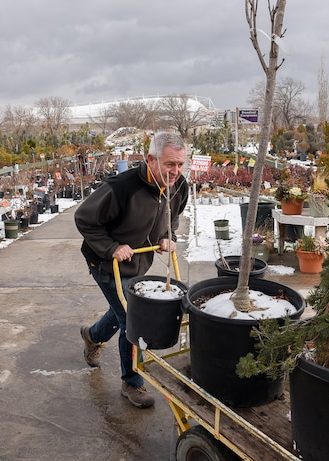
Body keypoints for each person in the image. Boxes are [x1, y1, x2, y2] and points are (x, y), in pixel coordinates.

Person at [74, 132, 189, 408]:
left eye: (181, 164)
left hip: (139, 260)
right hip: (105, 262)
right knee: (132, 319)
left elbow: (173, 215)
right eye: (169, 164)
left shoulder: (178, 185)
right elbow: (84, 218)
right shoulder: (121, 187)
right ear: (150, 159)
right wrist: (111, 247)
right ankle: (132, 382)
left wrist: (167, 235)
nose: (176, 172)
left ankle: (93, 336)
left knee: (124, 309)